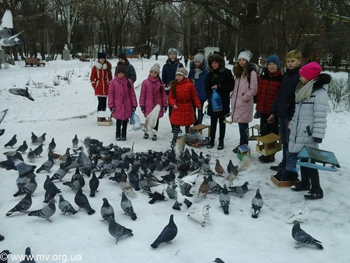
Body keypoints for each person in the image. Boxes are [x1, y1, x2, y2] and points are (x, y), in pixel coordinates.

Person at [287, 62, 330, 199]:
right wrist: (293, 123)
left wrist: (317, 135)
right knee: (303, 159)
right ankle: (305, 183)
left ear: (310, 77)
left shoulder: (319, 94)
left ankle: (317, 189)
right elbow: (298, 111)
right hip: (299, 131)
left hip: (308, 133)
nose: (300, 78)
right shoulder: (305, 90)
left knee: (310, 161)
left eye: (302, 76)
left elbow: (320, 116)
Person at [267, 50, 302, 171]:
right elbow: (280, 94)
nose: (290, 64)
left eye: (293, 61)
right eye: (288, 61)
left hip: (290, 115)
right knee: (284, 140)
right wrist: (273, 111)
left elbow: (297, 99)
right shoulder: (286, 75)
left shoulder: (300, 76)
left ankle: (290, 165)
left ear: (299, 61)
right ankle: (284, 162)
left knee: (290, 141)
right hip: (281, 113)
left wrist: (293, 117)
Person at [256, 54, 283, 163]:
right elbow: (260, 93)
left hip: (273, 112)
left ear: (278, 66)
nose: (271, 66)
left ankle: (271, 154)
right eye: (270, 64)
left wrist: (276, 111)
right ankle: (265, 152)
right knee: (263, 132)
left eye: (274, 64)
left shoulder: (281, 78)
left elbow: (280, 96)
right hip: (263, 110)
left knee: (272, 134)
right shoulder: (263, 77)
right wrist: (258, 107)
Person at [205, 53, 234, 150]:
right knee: (213, 122)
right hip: (213, 102)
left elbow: (231, 86)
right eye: (212, 63)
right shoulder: (209, 74)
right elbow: (206, 87)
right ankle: (212, 140)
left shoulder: (227, 73)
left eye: (216, 62)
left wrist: (219, 87)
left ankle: (221, 141)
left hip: (223, 101)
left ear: (220, 63)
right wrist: (210, 96)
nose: (214, 65)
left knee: (222, 122)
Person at [231, 50, 258, 153]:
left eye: (244, 60)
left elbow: (254, 89)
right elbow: (237, 87)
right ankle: (242, 144)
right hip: (237, 102)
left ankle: (244, 145)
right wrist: (233, 93)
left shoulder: (251, 72)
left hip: (244, 103)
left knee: (244, 126)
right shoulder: (238, 72)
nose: (242, 62)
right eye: (240, 60)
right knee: (241, 125)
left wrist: (245, 97)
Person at [168, 67, 202, 148]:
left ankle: (188, 138)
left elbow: (194, 96)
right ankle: (174, 139)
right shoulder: (174, 84)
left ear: (184, 76)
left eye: (180, 75)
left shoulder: (190, 85)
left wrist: (198, 105)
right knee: (176, 125)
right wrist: (173, 104)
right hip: (178, 107)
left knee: (188, 124)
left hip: (187, 106)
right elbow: (170, 97)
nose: (178, 77)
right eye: (177, 75)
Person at [108, 63, 137, 141]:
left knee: (125, 121)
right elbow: (110, 94)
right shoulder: (113, 82)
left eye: (122, 73)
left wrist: (134, 104)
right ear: (117, 73)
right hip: (117, 105)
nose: (121, 75)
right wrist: (111, 105)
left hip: (127, 104)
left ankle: (124, 134)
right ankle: (117, 134)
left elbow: (132, 93)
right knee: (118, 120)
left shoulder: (129, 82)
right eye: (119, 73)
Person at [139, 63, 168, 141]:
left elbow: (163, 95)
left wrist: (165, 105)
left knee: (155, 120)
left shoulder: (160, 83)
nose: (153, 74)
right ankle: (147, 132)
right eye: (152, 72)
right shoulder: (145, 82)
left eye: (155, 73)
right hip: (148, 105)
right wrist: (142, 104)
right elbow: (142, 94)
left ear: (158, 74)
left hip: (157, 105)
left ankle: (154, 133)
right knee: (148, 120)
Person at [162, 48, 184, 131]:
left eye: (174, 54)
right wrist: (165, 87)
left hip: (179, 89)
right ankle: (173, 126)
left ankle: (177, 125)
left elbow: (183, 77)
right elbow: (163, 79)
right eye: (171, 54)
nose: (172, 55)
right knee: (172, 108)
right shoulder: (165, 66)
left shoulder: (180, 65)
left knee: (179, 108)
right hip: (169, 90)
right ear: (168, 55)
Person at [89, 52, 112, 121]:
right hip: (99, 87)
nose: (102, 60)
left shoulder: (107, 66)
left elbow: (110, 77)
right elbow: (92, 78)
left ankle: (103, 116)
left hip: (106, 86)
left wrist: (110, 84)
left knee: (104, 103)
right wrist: (94, 85)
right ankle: (99, 117)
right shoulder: (95, 67)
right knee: (100, 103)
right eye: (100, 58)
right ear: (98, 59)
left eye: (103, 58)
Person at [188, 53, 208, 125]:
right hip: (192, 94)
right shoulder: (192, 71)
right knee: (192, 110)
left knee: (200, 110)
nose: (197, 63)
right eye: (196, 62)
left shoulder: (205, 72)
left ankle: (199, 124)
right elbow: (189, 80)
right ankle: (194, 123)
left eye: (199, 62)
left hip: (201, 94)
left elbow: (207, 83)